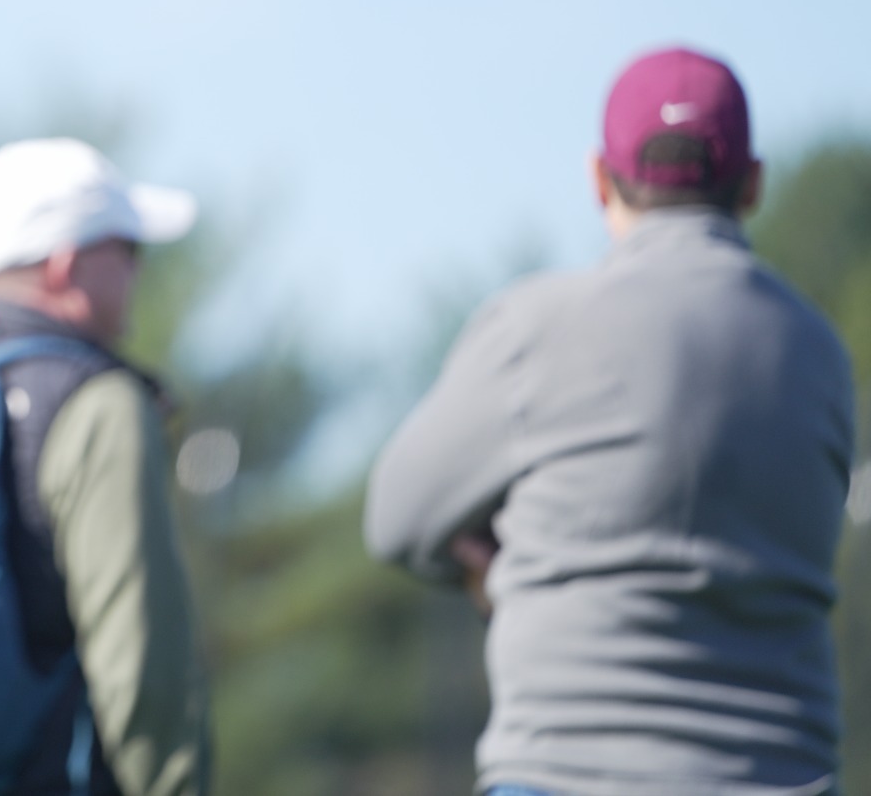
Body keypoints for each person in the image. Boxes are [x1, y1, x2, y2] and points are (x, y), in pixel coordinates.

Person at [365, 48, 854, 796]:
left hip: (565, 771)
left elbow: (395, 520)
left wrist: (491, 562)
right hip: (784, 774)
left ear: (600, 178)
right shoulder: (819, 352)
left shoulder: (533, 328)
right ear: (752, 182)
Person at [0, 138, 215, 794]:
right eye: (129, 250)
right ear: (65, 267)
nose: (137, 271)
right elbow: (141, 666)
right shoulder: (100, 405)